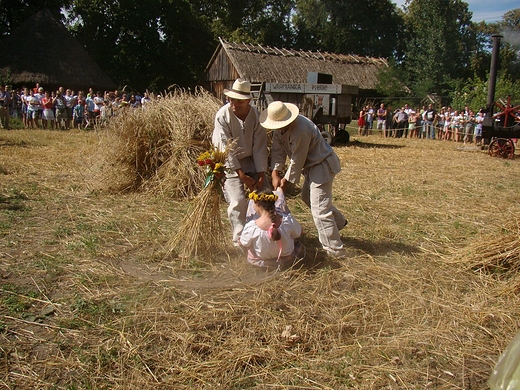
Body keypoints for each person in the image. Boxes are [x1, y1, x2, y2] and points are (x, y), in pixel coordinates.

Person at [261, 101, 348, 258]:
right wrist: (275, 172)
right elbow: (277, 150)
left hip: (322, 164)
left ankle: (336, 251)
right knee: (307, 197)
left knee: (320, 210)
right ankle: (339, 222)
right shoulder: (279, 129)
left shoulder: (301, 129)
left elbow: (297, 160)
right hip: (311, 167)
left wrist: (283, 184)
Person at [212, 79, 269, 246]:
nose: (234, 104)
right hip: (230, 162)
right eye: (231, 100)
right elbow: (225, 148)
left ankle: (263, 231)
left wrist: (260, 175)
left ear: (248, 101)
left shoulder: (257, 117)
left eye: (239, 101)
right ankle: (239, 239)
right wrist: (242, 176)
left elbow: (259, 147)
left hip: (250, 160)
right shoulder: (223, 115)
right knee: (237, 200)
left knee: (265, 194)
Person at [239, 188, 304, 270]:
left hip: (262, 262)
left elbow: (244, 243)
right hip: (288, 259)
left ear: (257, 204)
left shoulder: (251, 227)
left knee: (242, 240)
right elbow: (299, 233)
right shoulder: (287, 221)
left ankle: (266, 263)